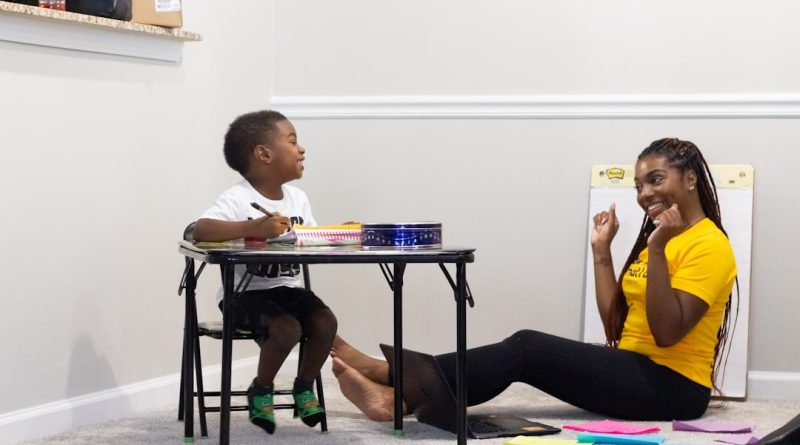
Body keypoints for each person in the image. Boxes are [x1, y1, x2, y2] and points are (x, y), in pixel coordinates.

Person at [331, 137, 737, 422]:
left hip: (674, 389)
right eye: (638, 185)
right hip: (636, 369)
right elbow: (617, 325)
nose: (644, 193)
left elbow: (666, 335)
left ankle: (391, 380)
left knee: (527, 347)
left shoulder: (708, 245)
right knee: (525, 355)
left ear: (689, 179)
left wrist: (660, 248)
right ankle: (398, 392)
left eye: (655, 179)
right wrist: (601, 251)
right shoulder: (662, 241)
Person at [193, 110, 337, 434]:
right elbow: (200, 229)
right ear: (264, 154)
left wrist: (331, 236)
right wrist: (254, 227)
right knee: (286, 330)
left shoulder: (298, 199)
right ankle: (261, 388)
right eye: (292, 141)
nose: (302, 149)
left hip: (289, 290)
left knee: (325, 321)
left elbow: (310, 240)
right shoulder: (238, 197)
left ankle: (304, 387)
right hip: (245, 295)